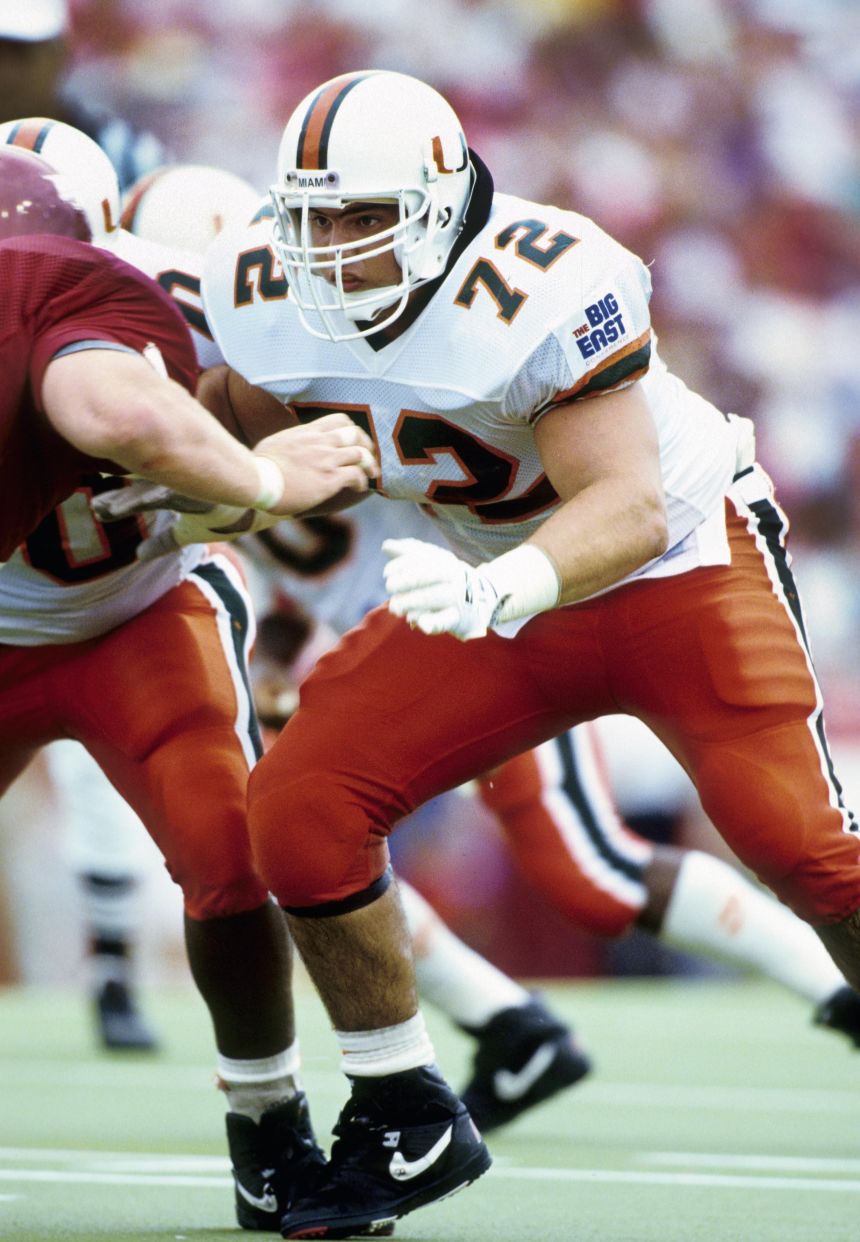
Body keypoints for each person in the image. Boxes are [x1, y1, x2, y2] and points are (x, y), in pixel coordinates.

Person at [192, 69, 860, 1238]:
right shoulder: (265, 288)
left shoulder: (549, 279)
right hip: (485, 584)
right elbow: (241, 425)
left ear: (444, 199)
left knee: (795, 845)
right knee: (298, 803)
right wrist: (211, 483)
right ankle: (403, 1111)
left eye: (362, 216)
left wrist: (494, 586)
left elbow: (628, 506)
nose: (332, 249)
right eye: (311, 217)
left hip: (669, 569)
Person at [0, 136, 380, 1233]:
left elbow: (320, 441)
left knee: (228, 857)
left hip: (137, 613)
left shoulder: (176, 294)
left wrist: (251, 477)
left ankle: (269, 1125)